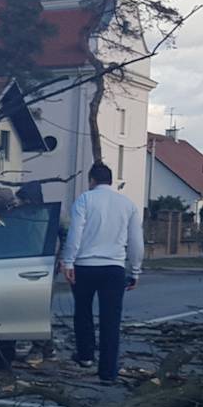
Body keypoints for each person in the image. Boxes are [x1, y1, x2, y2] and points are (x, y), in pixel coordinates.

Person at [60, 162, 143, 383]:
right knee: (111, 320)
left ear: (92, 180)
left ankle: (86, 356)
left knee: (83, 312)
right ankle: (108, 371)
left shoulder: (85, 199)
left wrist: (68, 262)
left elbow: (74, 233)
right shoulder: (128, 204)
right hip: (114, 268)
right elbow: (136, 241)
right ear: (111, 180)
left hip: (85, 266)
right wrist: (135, 270)